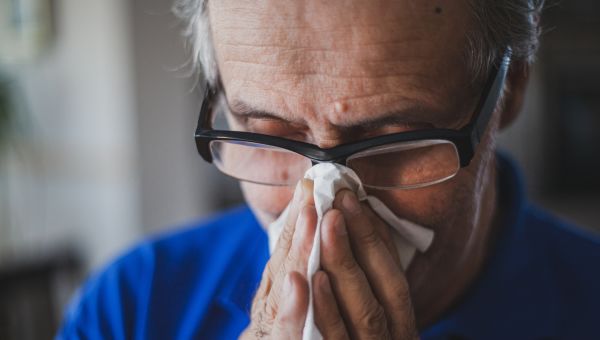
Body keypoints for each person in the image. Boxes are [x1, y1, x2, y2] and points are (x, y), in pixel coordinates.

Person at [58, 0, 600, 339]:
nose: (323, 206)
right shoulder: (132, 307)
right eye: (267, 134)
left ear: (512, 86)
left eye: (393, 140)